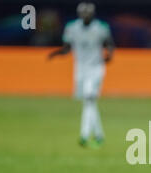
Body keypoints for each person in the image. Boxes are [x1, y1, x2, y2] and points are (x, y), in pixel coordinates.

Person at [48, 2, 115, 148]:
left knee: (89, 99)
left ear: (92, 14)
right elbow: (67, 48)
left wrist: (109, 55)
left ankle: (84, 135)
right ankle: (99, 135)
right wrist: (56, 53)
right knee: (89, 102)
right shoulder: (72, 28)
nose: (86, 16)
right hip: (80, 69)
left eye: (88, 14)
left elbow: (109, 43)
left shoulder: (101, 28)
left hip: (96, 68)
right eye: (83, 14)